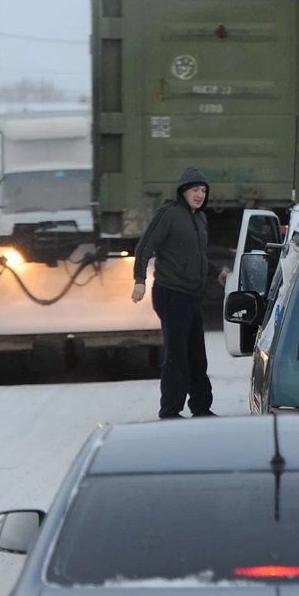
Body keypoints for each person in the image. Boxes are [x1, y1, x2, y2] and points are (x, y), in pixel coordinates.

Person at [131, 165, 228, 419]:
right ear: (183, 191)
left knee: (197, 355)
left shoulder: (200, 218)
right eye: (195, 190)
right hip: (171, 293)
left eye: (204, 190)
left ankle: (201, 407)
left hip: (191, 296)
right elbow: (144, 248)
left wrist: (216, 272)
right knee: (177, 355)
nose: (200, 195)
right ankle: (170, 410)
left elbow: (196, 257)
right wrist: (139, 279)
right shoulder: (169, 215)